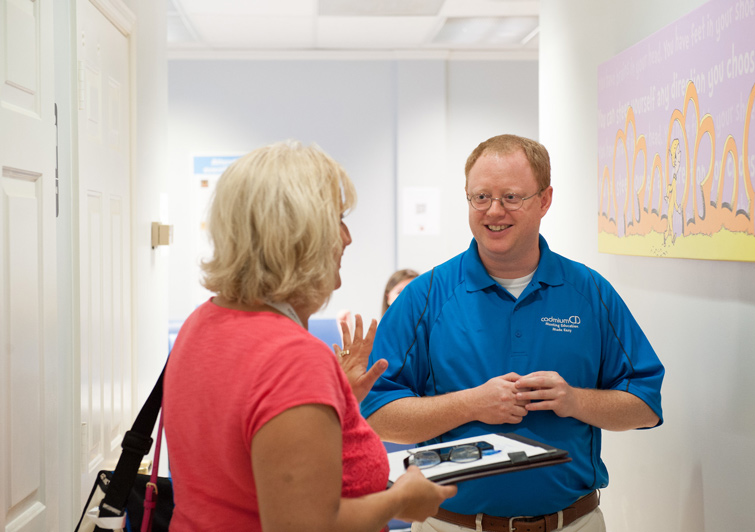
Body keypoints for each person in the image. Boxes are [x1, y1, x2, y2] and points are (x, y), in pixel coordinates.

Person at [362, 134, 665, 532]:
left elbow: (644, 406)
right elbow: (378, 415)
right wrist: (470, 405)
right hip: (451, 525)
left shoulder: (590, 294)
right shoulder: (425, 298)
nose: (494, 211)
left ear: (544, 200)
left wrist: (574, 400)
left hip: (573, 523)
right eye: (481, 197)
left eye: (511, 197)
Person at [163, 140, 456, 532]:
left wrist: (335, 401)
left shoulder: (202, 321)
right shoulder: (291, 356)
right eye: (337, 219)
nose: (348, 237)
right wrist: (400, 499)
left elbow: (245, 447)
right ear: (300, 235)